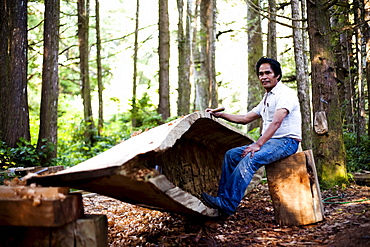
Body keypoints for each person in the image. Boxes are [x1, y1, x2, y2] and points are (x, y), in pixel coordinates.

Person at [201, 57, 302, 216]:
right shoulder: (267, 97)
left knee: (251, 157)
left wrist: (257, 144)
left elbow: (276, 122)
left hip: (287, 142)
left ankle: (227, 205)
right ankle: (222, 199)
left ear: (277, 75)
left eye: (268, 73)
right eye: (261, 74)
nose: (263, 77)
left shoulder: (285, 94)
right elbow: (246, 118)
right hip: (272, 143)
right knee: (231, 155)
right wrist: (220, 115)